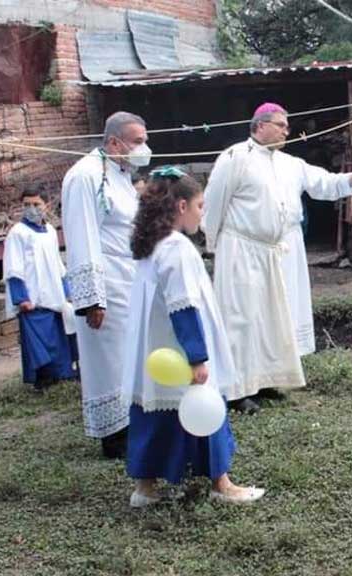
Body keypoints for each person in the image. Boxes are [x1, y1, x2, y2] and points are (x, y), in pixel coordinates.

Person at [202, 103, 352, 411]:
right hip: (242, 251)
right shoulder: (235, 158)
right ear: (259, 126)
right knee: (243, 319)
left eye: (287, 126)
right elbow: (213, 202)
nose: (286, 130)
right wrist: (215, 246)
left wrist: (348, 181)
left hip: (277, 252)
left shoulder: (291, 163)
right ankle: (237, 390)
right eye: (280, 125)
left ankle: (265, 381)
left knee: (274, 318)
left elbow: (321, 183)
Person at [122, 166, 264, 507]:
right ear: (181, 206)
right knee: (205, 405)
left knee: (154, 413)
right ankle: (222, 484)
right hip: (176, 347)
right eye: (200, 205)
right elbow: (182, 305)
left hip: (154, 351)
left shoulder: (149, 244)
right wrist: (197, 356)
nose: (204, 212)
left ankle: (145, 487)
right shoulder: (176, 248)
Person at [61, 111, 148, 459]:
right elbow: (81, 236)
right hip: (106, 285)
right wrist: (90, 299)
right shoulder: (85, 176)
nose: (144, 148)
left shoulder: (120, 174)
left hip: (130, 280)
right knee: (110, 360)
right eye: (137, 141)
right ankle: (114, 436)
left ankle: (134, 424)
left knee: (131, 356)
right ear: (114, 142)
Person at [2, 184, 76, 391]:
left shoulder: (51, 231)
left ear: (47, 205)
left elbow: (57, 264)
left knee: (59, 336)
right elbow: (13, 267)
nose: (32, 208)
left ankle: (62, 373)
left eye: (36, 204)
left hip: (53, 294)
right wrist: (21, 298)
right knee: (38, 341)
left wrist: (66, 290)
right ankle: (42, 378)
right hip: (32, 298)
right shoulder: (18, 233)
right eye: (27, 204)